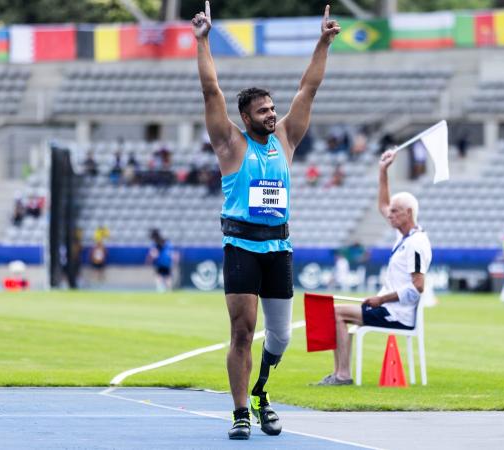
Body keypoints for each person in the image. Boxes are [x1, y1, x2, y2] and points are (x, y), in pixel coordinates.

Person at [192, 1, 339, 440]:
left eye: (273, 109)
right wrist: (203, 41)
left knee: (280, 339)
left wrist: (323, 43)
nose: (272, 115)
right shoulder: (230, 145)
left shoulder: (287, 139)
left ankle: (261, 391)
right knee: (242, 331)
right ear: (244, 118)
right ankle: (240, 411)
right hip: (241, 246)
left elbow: (307, 90)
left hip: (280, 248)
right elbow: (211, 91)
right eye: (263, 112)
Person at [316, 149, 432, 386]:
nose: (389, 215)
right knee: (331, 311)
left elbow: (418, 287)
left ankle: (342, 375)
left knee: (334, 312)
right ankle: (340, 373)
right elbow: (383, 205)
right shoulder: (404, 237)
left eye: (395, 211)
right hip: (390, 307)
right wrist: (383, 171)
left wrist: (382, 300)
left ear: (408, 213)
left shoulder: (416, 243)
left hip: (396, 314)